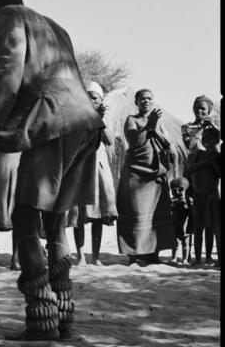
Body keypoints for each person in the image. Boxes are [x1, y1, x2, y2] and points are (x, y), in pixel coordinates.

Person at [0, 0, 104, 341]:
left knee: (26, 219)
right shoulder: (56, 27)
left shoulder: (7, 15)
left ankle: (40, 320)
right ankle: (63, 315)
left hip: (53, 121)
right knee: (57, 222)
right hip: (84, 123)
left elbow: (9, 72)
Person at [116, 89, 176, 266]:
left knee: (156, 214)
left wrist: (155, 127)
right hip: (136, 174)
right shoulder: (131, 120)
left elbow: (167, 143)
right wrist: (149, 125)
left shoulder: (159, 121)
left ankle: (154, 255)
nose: (146, 101)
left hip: (156, 174)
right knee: (135, 213)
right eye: (142, 99)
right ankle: (133, 255)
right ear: (136, 102)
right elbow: (135, 142)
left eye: (149, 99)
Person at [67, 81, 118, 266]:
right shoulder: (76, 118)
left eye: (94, 98)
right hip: (81, 166)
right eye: (88, 97)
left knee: (98, 214)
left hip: (99, 167)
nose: (91, 100)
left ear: (100, 100)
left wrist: (100, 121)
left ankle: (95, 256)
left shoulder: (105, 119)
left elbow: (110, 141)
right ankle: (80, 256)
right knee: (79, 214)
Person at [181, 95, 219, 265]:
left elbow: (217, 147)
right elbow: (190, 146)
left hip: (210, 175)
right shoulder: (187, 127)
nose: (200, 111)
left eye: (203, 108)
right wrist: (202, 130)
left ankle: (210, 256)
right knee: (196, 222)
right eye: (197, 107)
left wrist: (213, 127)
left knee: (212, 222)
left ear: (209, 110)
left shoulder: (214, 129)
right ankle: (193, 257)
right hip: (193, 175)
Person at [187, 126, 221, 267]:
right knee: (198, 229)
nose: (208, 142)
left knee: (216, 229)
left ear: (217, 141)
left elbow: (220, 173)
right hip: (198, 196)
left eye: (212, 139)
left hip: (212, 196)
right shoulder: (199, 154)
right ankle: (198, 258)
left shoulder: (218, 156)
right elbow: (190, 168)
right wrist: (204, 162)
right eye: (205, 138)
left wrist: (212, 161)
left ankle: (217, 258)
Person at [168, 176, 193, 265]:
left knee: (186, 243)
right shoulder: (172, 200)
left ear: (181, 189)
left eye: (173, 189)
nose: (172, 192)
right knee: (175, 242)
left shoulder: (188, 200)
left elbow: (191, 212)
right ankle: (174, 257)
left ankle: (185, 259)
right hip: (175, 224)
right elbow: (169, 209)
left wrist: (187, 203)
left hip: (185, 226)